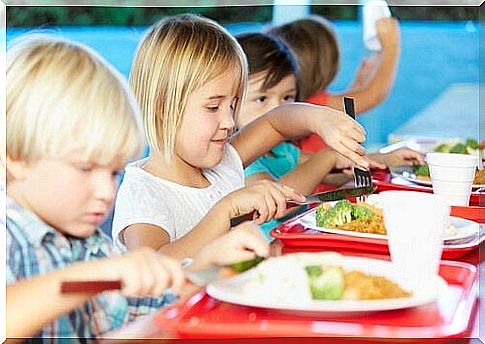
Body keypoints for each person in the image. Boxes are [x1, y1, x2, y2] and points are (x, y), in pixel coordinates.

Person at [5, 34, 269, 340]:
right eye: (85, 168)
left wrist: (209, 270)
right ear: (16, 156)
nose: (107, 192)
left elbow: (144, 322)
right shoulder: (9, 236)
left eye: (114, 171)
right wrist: (95, 277)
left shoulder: (88, 246)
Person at [112, 13, 369, 257]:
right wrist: (226, 210)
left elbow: (276, 122)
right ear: (163, 108)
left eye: (233, 105)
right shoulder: (144, 192)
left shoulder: (223, 163)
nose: (229, 121)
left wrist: (320, 119)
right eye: (213, 107)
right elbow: (154, 266)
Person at [235, 32, 423, 238]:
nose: (277, 108)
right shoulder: (238, 159)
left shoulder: (281, 149)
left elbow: (330, 172)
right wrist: (328, 157)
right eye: (262, 98)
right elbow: (281, 201)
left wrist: (384, 159)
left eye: (287, 97)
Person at [268, 15, 400, 153]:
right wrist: (391, 48)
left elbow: (347, 109)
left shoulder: (302, 103)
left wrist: (360, 81)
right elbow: (374, 95)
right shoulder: (313, 105)